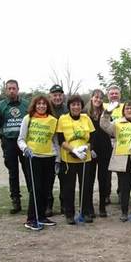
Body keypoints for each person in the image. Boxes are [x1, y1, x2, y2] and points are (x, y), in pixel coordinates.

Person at [17, 95, 59, 230]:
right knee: (36, 188)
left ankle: (41, 216)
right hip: (33, 157)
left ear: (48, 106)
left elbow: (55, 141)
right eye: (39, 104)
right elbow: (21, 139)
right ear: (34, 105)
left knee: (46, 189)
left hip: (49, 157)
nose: (42, 106)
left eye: (44, 104)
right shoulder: (27, 118)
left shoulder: (53, 120)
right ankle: (31, 219)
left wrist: (57, 158)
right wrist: (25, 148)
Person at [56, 95, 96, 224]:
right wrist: (74, 150)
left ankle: (85, 212)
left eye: (78, 104)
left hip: (85, 158)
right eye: (73, 104)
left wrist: (85, 149)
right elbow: (61, 140)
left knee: (86, 187)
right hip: (69, 158)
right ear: (69, 106)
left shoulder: (86, 118)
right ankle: (69, 214)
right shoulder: (63, 119)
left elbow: (93, 138)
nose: (76, 107)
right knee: (69, 188)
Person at [0, 79, 30, 214]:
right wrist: (5, 138)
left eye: (14, 88)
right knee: (13, 173)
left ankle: (33, 199)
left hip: (25, 143)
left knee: (29, 171)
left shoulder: (26, 104)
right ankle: (16, 201)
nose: (12, 91)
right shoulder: (0, 105)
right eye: (9, 88)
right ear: (6, 90)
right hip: (9, 144)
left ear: (18, 89)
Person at [85, 89, 113, 217]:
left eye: (101, 98)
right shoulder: (85, 113)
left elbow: (109, 129)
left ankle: (102, 206)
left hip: (105, 149)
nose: (98, 100)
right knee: (89, 180)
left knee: (103, 179)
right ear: (91, 98)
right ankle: (89, 207)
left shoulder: (106, 113)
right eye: (96, 97)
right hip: (91, 149)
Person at [46, 84, 66, 216]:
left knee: (65, 179)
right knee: (48, 179)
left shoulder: (67, 109)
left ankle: (64, 204)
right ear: (50, 96)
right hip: (49, 148)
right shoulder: (46, 109)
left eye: (59, 95)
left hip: (64, 147)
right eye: (55, 95)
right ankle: (48, 205)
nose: (57, 97)